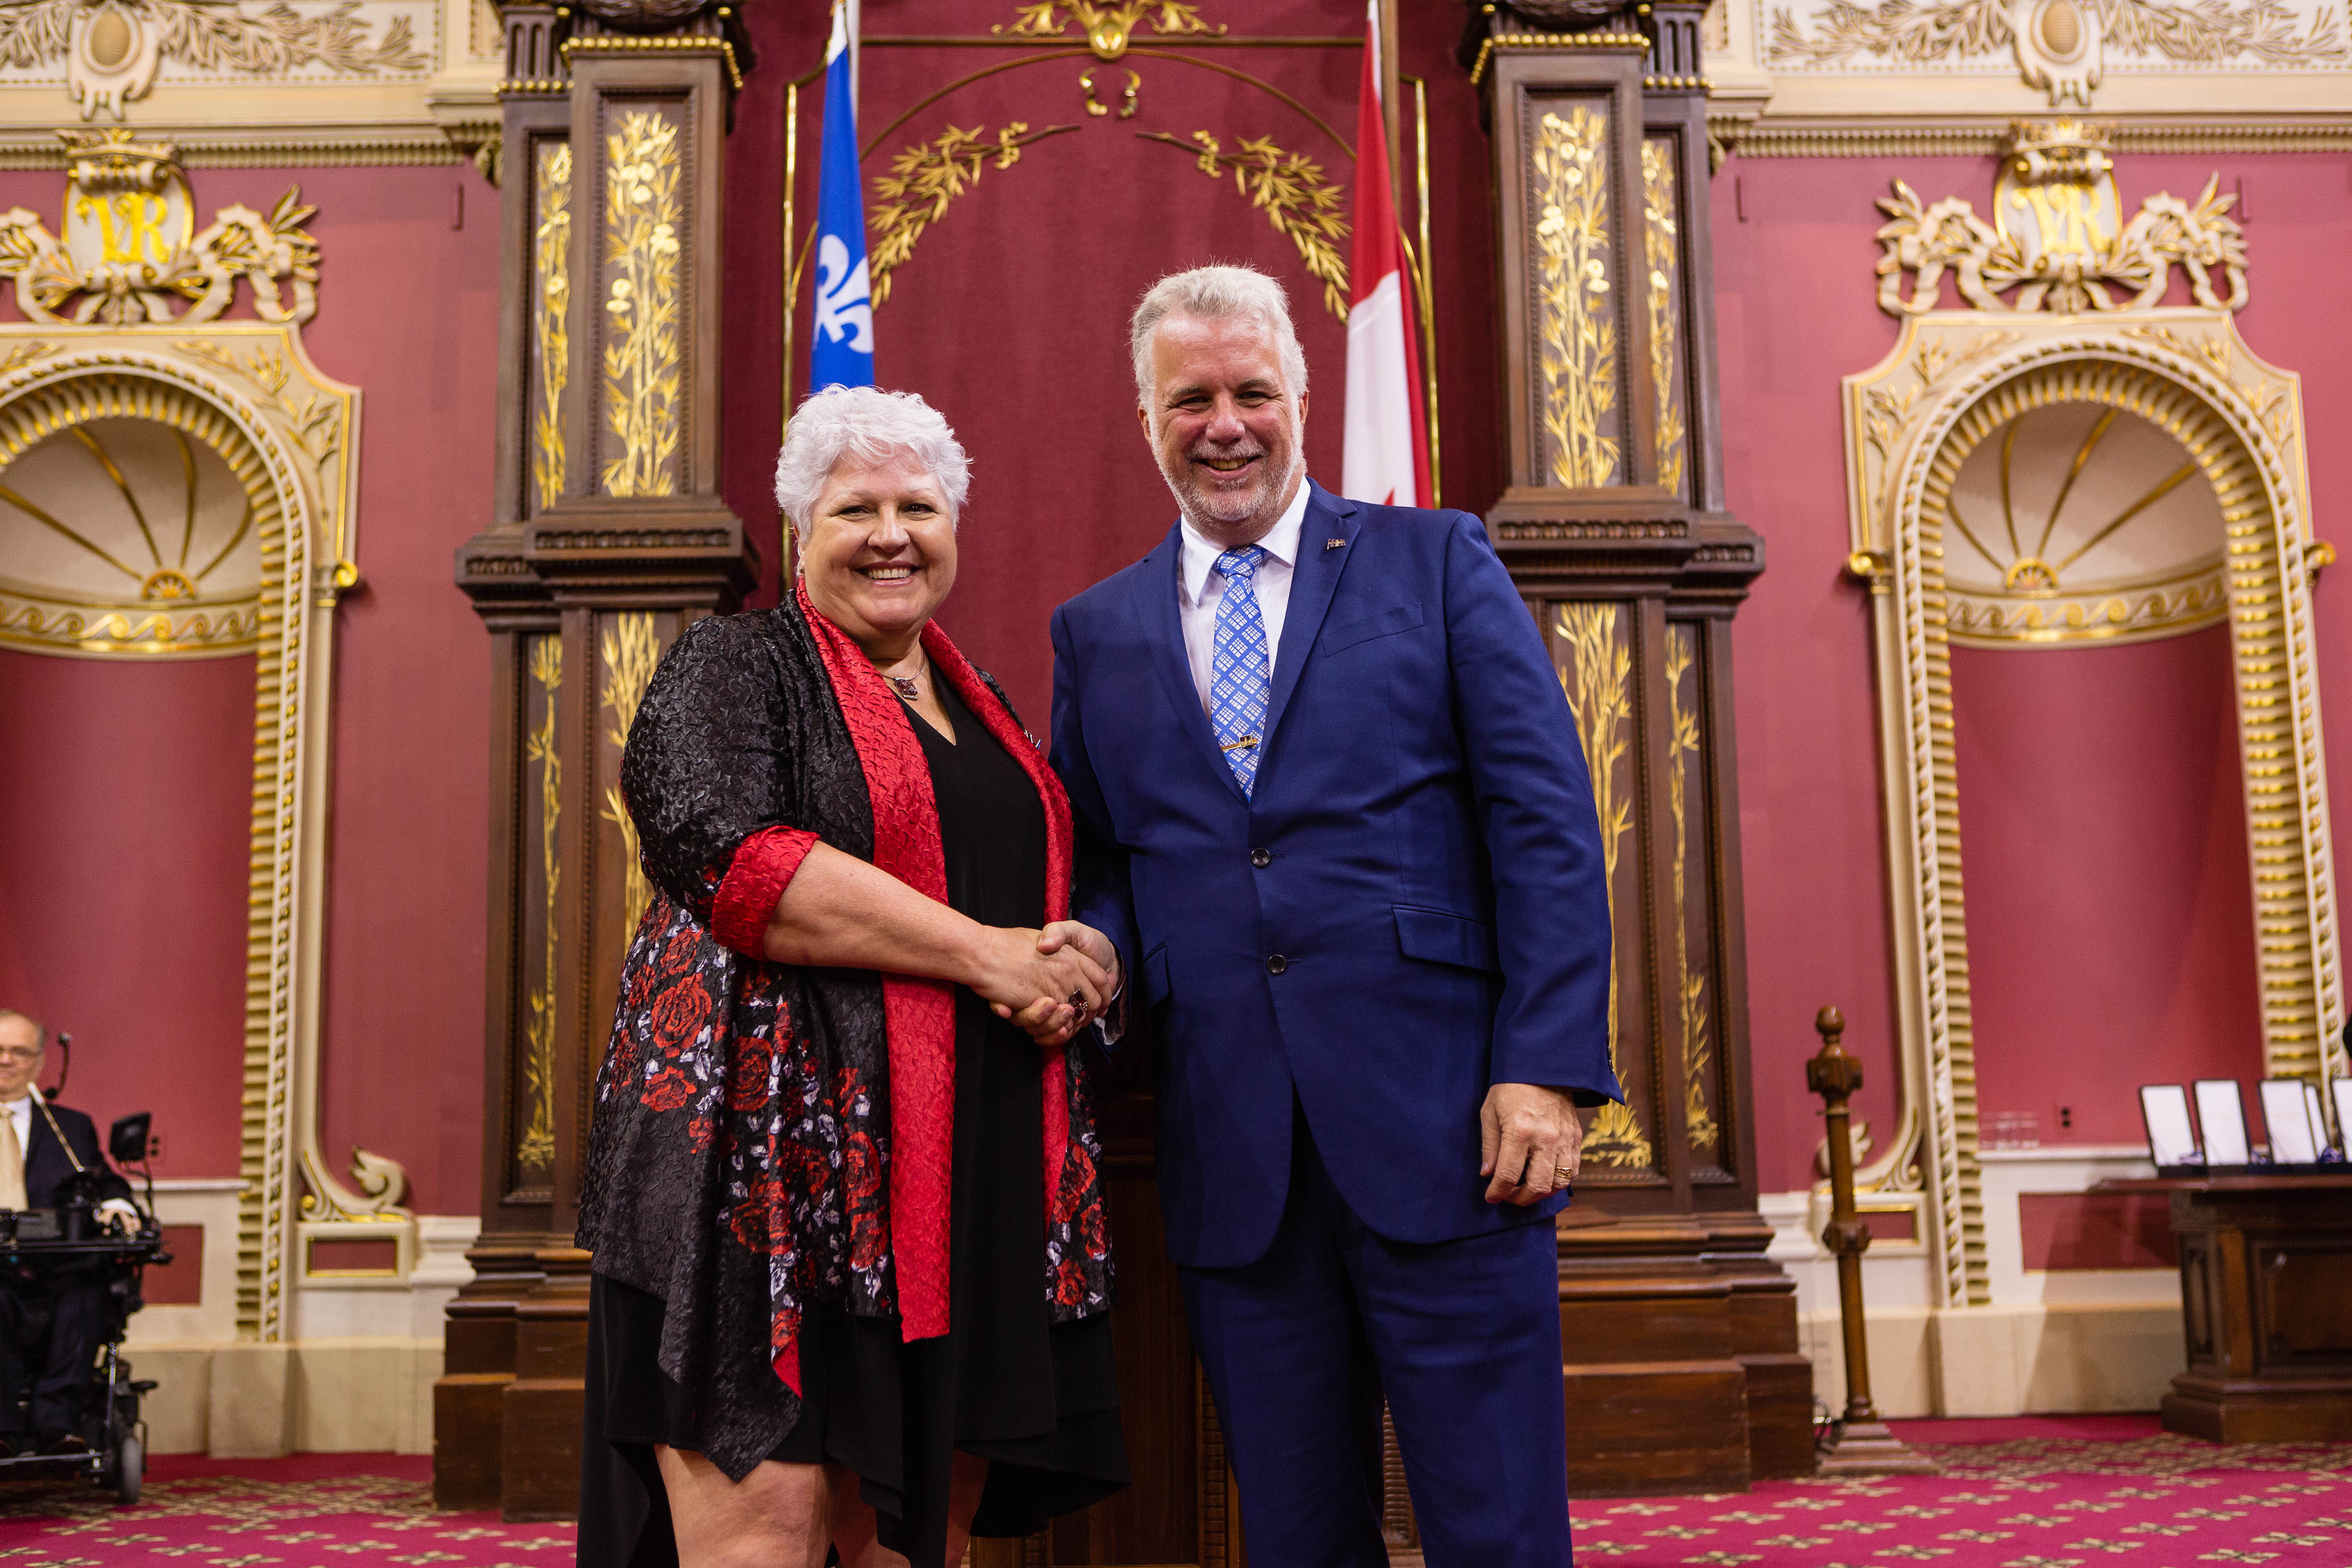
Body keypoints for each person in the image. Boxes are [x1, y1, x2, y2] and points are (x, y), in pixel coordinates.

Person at [1046, 265, 1619, 1566]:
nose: (1226, 423)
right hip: (1233, 1152)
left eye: (1254, 390)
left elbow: (1545, 823)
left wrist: (1544, 1066)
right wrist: (1092, 949)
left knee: (1499, 1527)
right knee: (1298, 1539)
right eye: (1191, 399)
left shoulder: (1434, 558)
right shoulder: (1100, 629)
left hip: (1452, 1130)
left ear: (1302, 396)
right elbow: (1104, 868)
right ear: (1148, 419)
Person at [576, 385, 1129, 1568]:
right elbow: (738, 862)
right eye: (855, 508)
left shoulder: (987, 706)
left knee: (918, 1530)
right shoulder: (735, 664)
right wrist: (987, 954)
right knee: (771, 1524)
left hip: (957, 1170)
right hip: (762, 1172)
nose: (892, 533)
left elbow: (1025, 886)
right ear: (798, 533)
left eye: (918, 506)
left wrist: (1069, 954)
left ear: (954, 527)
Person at [0, 1008, 136, 1457]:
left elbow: (103, 1182)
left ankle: (56, 1423)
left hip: (58, 1265)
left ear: (39, 1062)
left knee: (88, 1290)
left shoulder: (70, 1127)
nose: (6, 1060)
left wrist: (118, 1204)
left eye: (19, 1052)